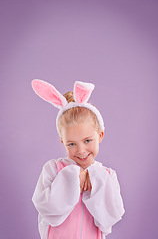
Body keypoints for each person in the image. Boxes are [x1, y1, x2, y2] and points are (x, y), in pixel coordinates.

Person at [31, 79, 125, 239]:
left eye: (88, 141)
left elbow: (111, 217)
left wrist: (96, 179)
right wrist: (71, 176)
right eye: (71, 144)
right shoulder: (53, 169)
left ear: (100, 135)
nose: (81, 151)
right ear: (62, 141)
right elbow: (47, 209)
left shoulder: (107, 175)